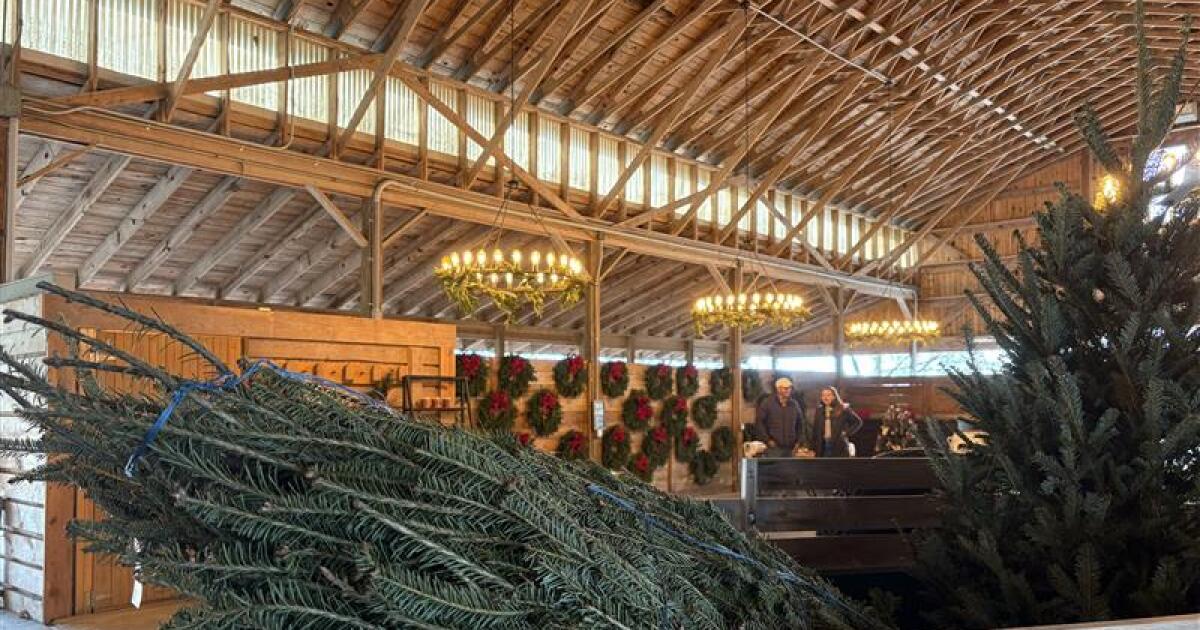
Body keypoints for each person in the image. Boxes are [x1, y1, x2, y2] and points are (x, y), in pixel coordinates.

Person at [754, 377, 808, 457]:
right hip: (773, 447)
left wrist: (799, 441)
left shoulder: (794, 404)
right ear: (778, 389)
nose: (788, 390)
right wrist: (767, 440)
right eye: (785, 388)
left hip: (791, 447)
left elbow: (800, 423)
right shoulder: (767, 404)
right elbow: (759, 423)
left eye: (790, 388)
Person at [808, 387, 863, 457]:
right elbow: (815, 430)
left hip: (838, 445)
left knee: (836, 466)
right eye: (823, 395)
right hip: (822, 445)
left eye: (828, 395)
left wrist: (846, 433)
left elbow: (858, 422)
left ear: (834, 396)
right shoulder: (819, 410)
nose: (825, 397)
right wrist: (812, 447)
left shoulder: (843, 409)